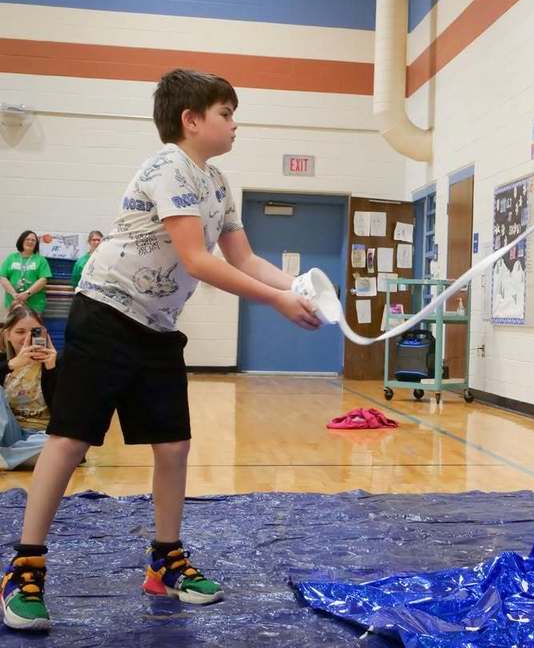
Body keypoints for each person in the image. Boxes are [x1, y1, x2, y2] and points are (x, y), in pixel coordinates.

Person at [1, 69, 322, 632]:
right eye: (226, 113)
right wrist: (276, 302)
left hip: (157, 327)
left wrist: (299, 289)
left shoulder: (218, 183)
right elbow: (198, 261)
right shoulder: (167, 167)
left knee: (173, 447)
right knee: (70, 440)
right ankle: (24, 568)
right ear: (190, 120)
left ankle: (165, 561)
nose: (235, 123)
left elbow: (243, 259)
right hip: (104, 314)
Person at [0, 306, 58, 470]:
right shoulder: (4, 363)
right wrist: (11, 365)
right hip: (9, 434)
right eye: (20, 332)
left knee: (63, 445)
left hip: (42, 436)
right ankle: (15, 458)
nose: (27, 338)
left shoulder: (58, 363)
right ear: (7, 335)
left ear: (44, 334)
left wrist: (53, 370)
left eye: (34, 332)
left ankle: (7, 457)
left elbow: (68, 413)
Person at [0, 232, 52, 316]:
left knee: (32, 328)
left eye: (33, 240)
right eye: (27, 239)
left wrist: (27, 294)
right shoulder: (11, 257)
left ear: (36, 244)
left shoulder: (41, 260)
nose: (30, 242)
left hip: (34, 304)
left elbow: (43, 280)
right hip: (13, 302)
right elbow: (3, 277)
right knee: (14, 328)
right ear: (21, 241)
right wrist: (14, 295)